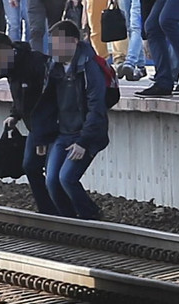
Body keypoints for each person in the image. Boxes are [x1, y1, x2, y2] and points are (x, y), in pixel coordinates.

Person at [26, 20, 109, 220]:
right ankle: (69, 221)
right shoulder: (54, 67)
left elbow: (97, 107)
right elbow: (47, 105)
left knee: (67, 178)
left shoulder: (89, 68)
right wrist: (41, 138)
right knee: (52, 181)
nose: (53, 48)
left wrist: (83, 142)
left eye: (58, 43)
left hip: (84, 136)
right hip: (62, 134)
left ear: (72, 42)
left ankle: (92, 217)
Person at [0, 31, 54, 214]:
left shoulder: (34, 63)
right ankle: (47, 209)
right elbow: (20, 96)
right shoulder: (11, 69)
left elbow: (43, 95)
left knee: (51, 171)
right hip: (34, 125)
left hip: (49, 123)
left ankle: (62, 208)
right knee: (31, 166)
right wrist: (15, 115)